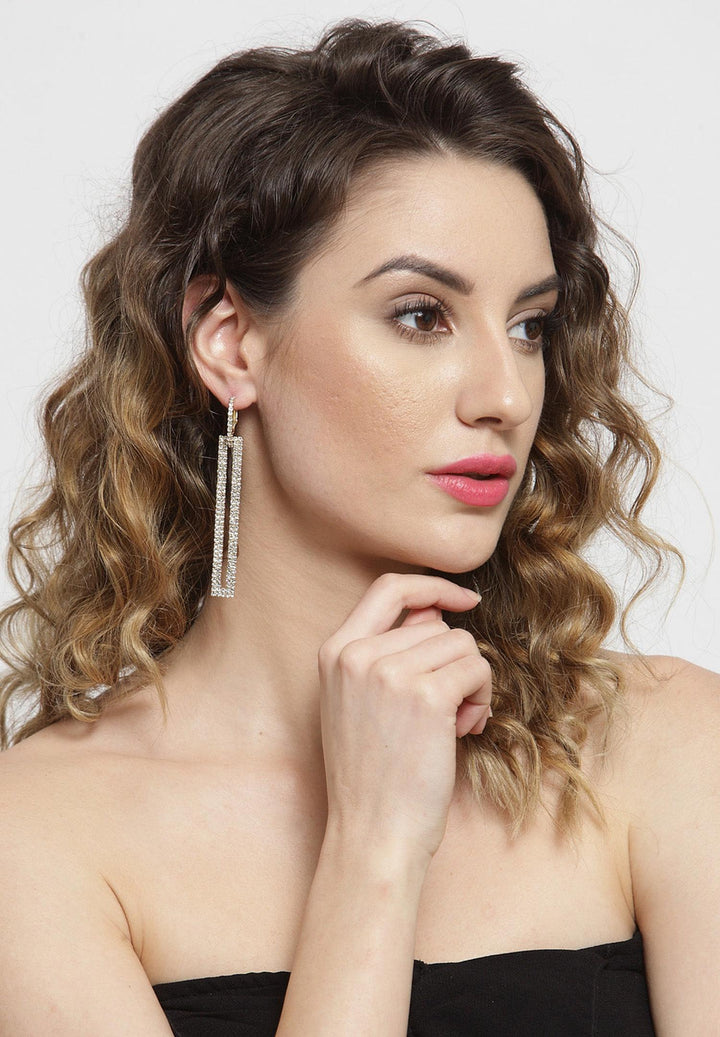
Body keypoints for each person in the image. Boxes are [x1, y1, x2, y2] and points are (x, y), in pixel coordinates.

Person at [0, 17, 717, 1036]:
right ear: (231, 343)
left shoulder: (668, 748)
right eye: (422, 315)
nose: (505, 394)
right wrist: (375, 847)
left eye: (529, 325)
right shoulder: (38, 839)